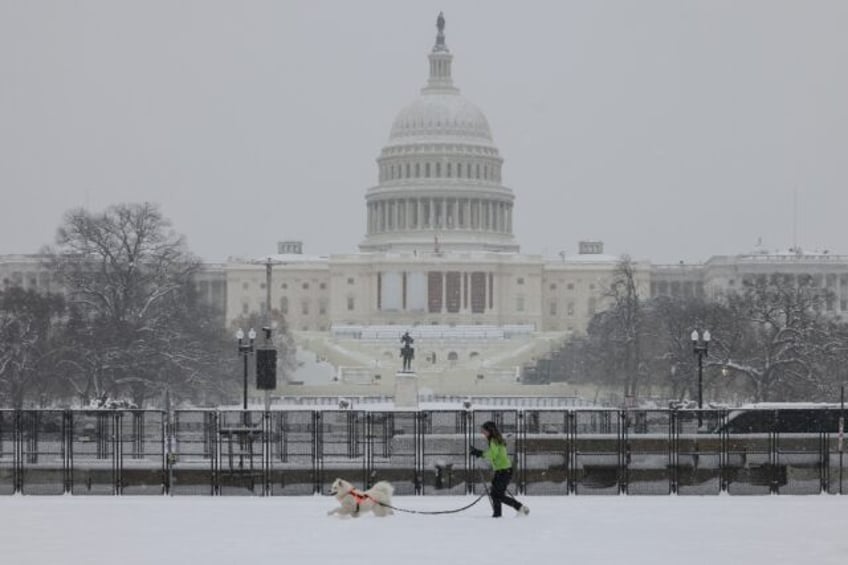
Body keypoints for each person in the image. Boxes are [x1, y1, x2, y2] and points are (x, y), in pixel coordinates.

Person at [470, 421, 530, 518]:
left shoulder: (494, 440)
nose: (482, 433)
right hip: (502, 471)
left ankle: (520, 508)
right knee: (495, 494)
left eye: (484, 430)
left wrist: (479, 453)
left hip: (504, 471)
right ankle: (497, 515)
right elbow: (493, 454)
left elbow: (493, 454)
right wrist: (479, 453)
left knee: (498, 495)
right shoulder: (495, 439)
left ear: (490, 430)